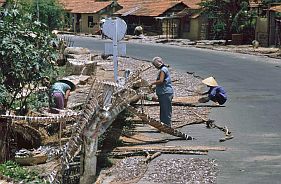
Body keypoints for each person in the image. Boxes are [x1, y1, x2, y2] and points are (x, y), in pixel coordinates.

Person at [150, 57, 174, 127]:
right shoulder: (164, 69)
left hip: (165, 92)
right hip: (164, 92)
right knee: (164, 110)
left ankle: (167, 126)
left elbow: (161, 81)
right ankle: (164, 125)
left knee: (166, 110)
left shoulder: (163, 70)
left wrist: (152, 83)